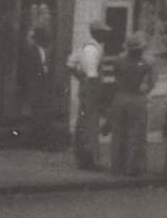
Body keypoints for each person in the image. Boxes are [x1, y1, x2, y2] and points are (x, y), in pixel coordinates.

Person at [66, 20, 110, 169]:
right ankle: (88, 158)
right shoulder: (92, 50)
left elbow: (70, 64)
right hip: (91, 89)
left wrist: (79, 77)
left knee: (84, 122)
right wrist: (97, 94)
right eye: (104, 32)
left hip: (86, 88)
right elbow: (92, 75)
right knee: (90, 124)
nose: (106, 35)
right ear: (97, 33)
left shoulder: (86, 47)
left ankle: (83, 157)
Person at [110, 35, 154, 176]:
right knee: (137, 133)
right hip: (137, 98)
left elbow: (116, 76)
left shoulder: (119, 61)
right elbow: (149, 84)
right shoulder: (146, 64)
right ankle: (134, 167)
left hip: (120, 96)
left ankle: (117, 166)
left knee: (119, 133)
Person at [17, 26, 59, 150]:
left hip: (44, 87)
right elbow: (27, 71)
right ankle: (36, 141)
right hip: (35, 87)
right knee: (36, 114)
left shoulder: (45, 51)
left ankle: (42, 141)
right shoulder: (31, 52)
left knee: (43, 114)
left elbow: (47, 68)